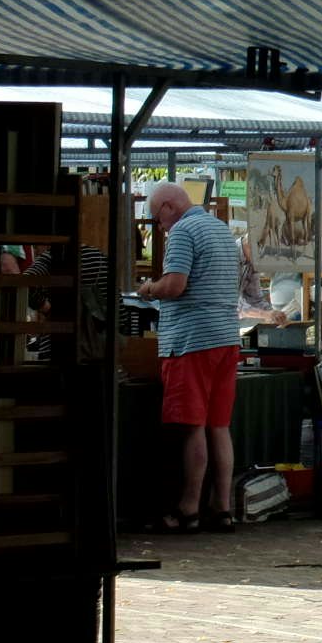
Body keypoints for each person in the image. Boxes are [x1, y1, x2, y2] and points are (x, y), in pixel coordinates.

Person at [136, 184, 241, 534]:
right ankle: (223, 507)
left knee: (193, 426)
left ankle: (188, 509)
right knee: (219, 425)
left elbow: (175, 286)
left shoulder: (183, 231)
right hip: (226, 337)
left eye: (156, 218)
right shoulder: (221, 229)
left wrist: (149, 288)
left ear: (168, 207)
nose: (159, 226)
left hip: (192, 340)